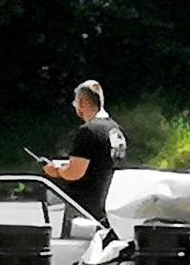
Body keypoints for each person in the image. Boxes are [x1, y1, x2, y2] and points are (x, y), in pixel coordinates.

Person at [43, 80, 127, 221]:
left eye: (76, 102)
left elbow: (74, 173)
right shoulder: (116, 129)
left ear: (82, 103)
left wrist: (55, 171)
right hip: (109, 204)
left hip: (86, 209)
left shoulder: (88, 131)